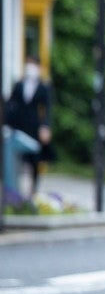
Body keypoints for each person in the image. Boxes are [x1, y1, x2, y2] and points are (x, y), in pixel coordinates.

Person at [5, 56, 55, 198]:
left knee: (34, 159)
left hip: (34, 127)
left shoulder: (43, 87)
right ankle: (15, 190)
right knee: (17, 158)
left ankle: (33, 189)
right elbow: (11, 105)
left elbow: (47, 108)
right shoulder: (19, 85)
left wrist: (45, 126)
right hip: (19, 126)